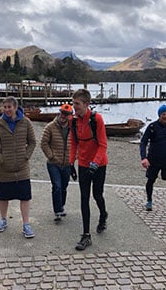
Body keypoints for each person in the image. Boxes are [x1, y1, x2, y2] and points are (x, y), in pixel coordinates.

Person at [0, 97, 36, 238]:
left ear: (15, 107)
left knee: (25, 197)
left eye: (9, 107)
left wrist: (26, 156)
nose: (7, 110)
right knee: (3, 196)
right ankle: (3, 220)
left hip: (22, 169)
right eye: (5, 107)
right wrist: (1, 159)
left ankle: (26, 224)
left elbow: (32, 142)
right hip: (4, 169)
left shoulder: (26, 122)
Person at [69, 88, 108, 251]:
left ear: (86, 104)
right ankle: (86, 235)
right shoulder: (73, 121)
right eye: (73, 104)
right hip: (84, 165)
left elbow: (103, 145)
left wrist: (95, 162)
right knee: (84, 198)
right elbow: (74, 143)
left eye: (76, 104)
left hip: (99, 165)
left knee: (97, 195)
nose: (74, 107)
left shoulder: (96, 119)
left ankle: (103, 214)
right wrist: (71, 163)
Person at [139, 104, 166, 221]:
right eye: (163, 114)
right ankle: (149, 200)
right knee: (150, 181)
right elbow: (143, 143)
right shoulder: (152, 127)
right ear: (159, 115)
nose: (165, 116)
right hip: (153, 160)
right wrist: (144, 158)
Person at [40, 103, 74, 221]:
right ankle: (58, 210)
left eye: (66, 114)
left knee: (64, 187)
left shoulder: (73, 128)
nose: (63, 116)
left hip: (67, 164)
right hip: (53, 163)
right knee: (57, 186)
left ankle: (61, 206)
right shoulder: (50, 127)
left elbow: (79, 143)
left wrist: (74, 157)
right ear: (59, 112)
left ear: (70, 115)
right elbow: (43, 143)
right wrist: (51, 156)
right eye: (62, 113)